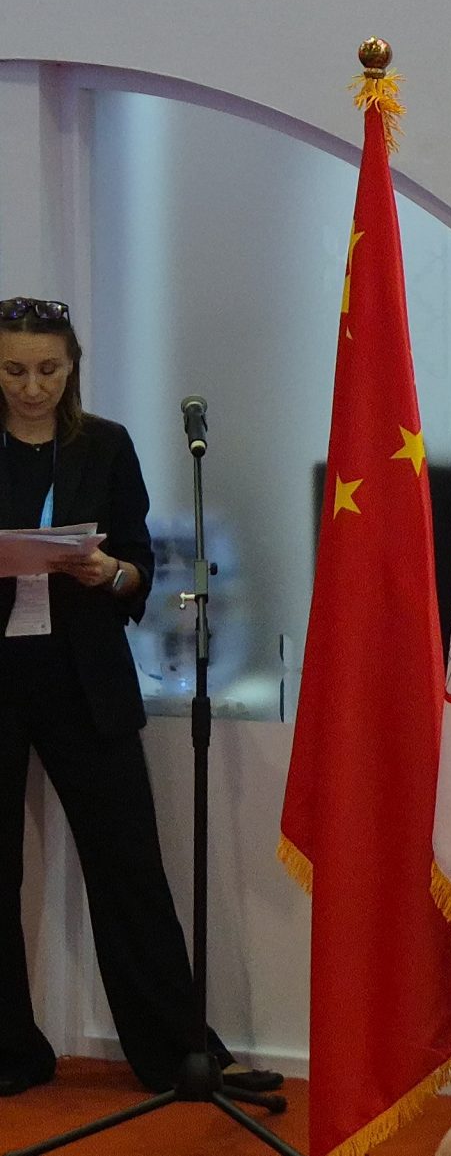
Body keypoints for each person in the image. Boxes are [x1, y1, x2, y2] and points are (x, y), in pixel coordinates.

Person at [0, 297, 277, 1097]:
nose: (31, 386)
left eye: (48, 369)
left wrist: (110, 571)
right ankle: (11, 1052)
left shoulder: (105, 444)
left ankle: (176, 1052)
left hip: (83, 677)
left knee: (130, 870)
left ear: (72, 368)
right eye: (14, 369)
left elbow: (137, 566)